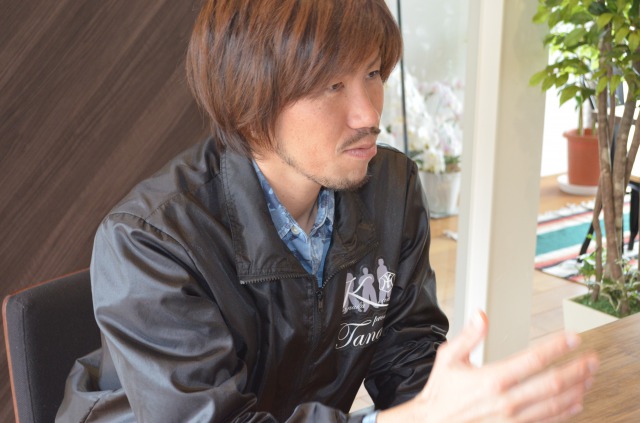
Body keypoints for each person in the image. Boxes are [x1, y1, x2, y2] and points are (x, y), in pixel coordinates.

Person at [56, 1, 599, 422]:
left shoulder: (390, 188)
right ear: (251, 101)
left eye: (372, 73)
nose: (367, 114)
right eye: (331, 85)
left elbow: (408, 362)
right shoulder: (150, 240)